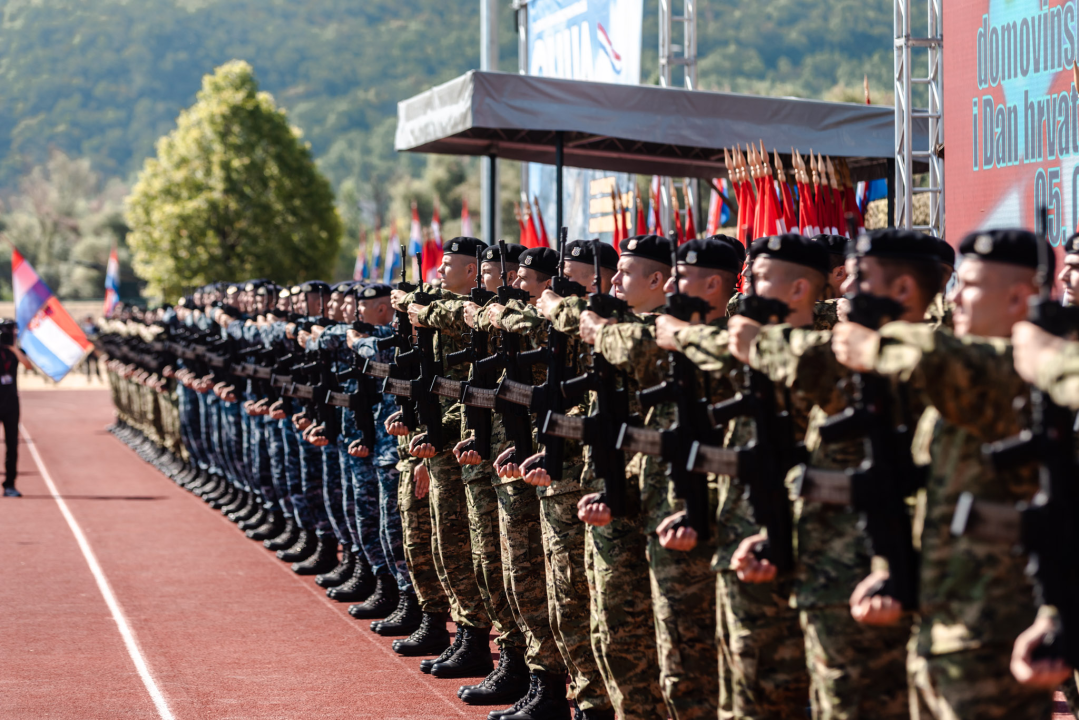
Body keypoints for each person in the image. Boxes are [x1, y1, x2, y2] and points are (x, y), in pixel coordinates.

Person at [1, 319, 33, 498]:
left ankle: (10, 484)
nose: (8, 334)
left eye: (12, 331)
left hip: (11, 403)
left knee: (12, 446)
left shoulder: (16, 351)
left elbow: (28, 366)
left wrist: (13, 348)